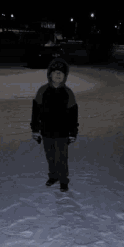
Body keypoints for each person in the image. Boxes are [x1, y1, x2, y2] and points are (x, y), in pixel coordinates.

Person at [30, 57, 79, 192]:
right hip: (46, 131)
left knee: (62, 157)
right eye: (55, 72)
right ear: (49, 74)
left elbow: (73, 115)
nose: (58, 74)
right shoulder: (42, 91)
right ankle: (53, 176)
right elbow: (36, 112)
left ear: (65, 76)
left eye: (61, 73)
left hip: (63, 132)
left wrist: (73, 132)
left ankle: (63, 179)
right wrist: (35, 129)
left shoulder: (68, 93)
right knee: (50, 156)